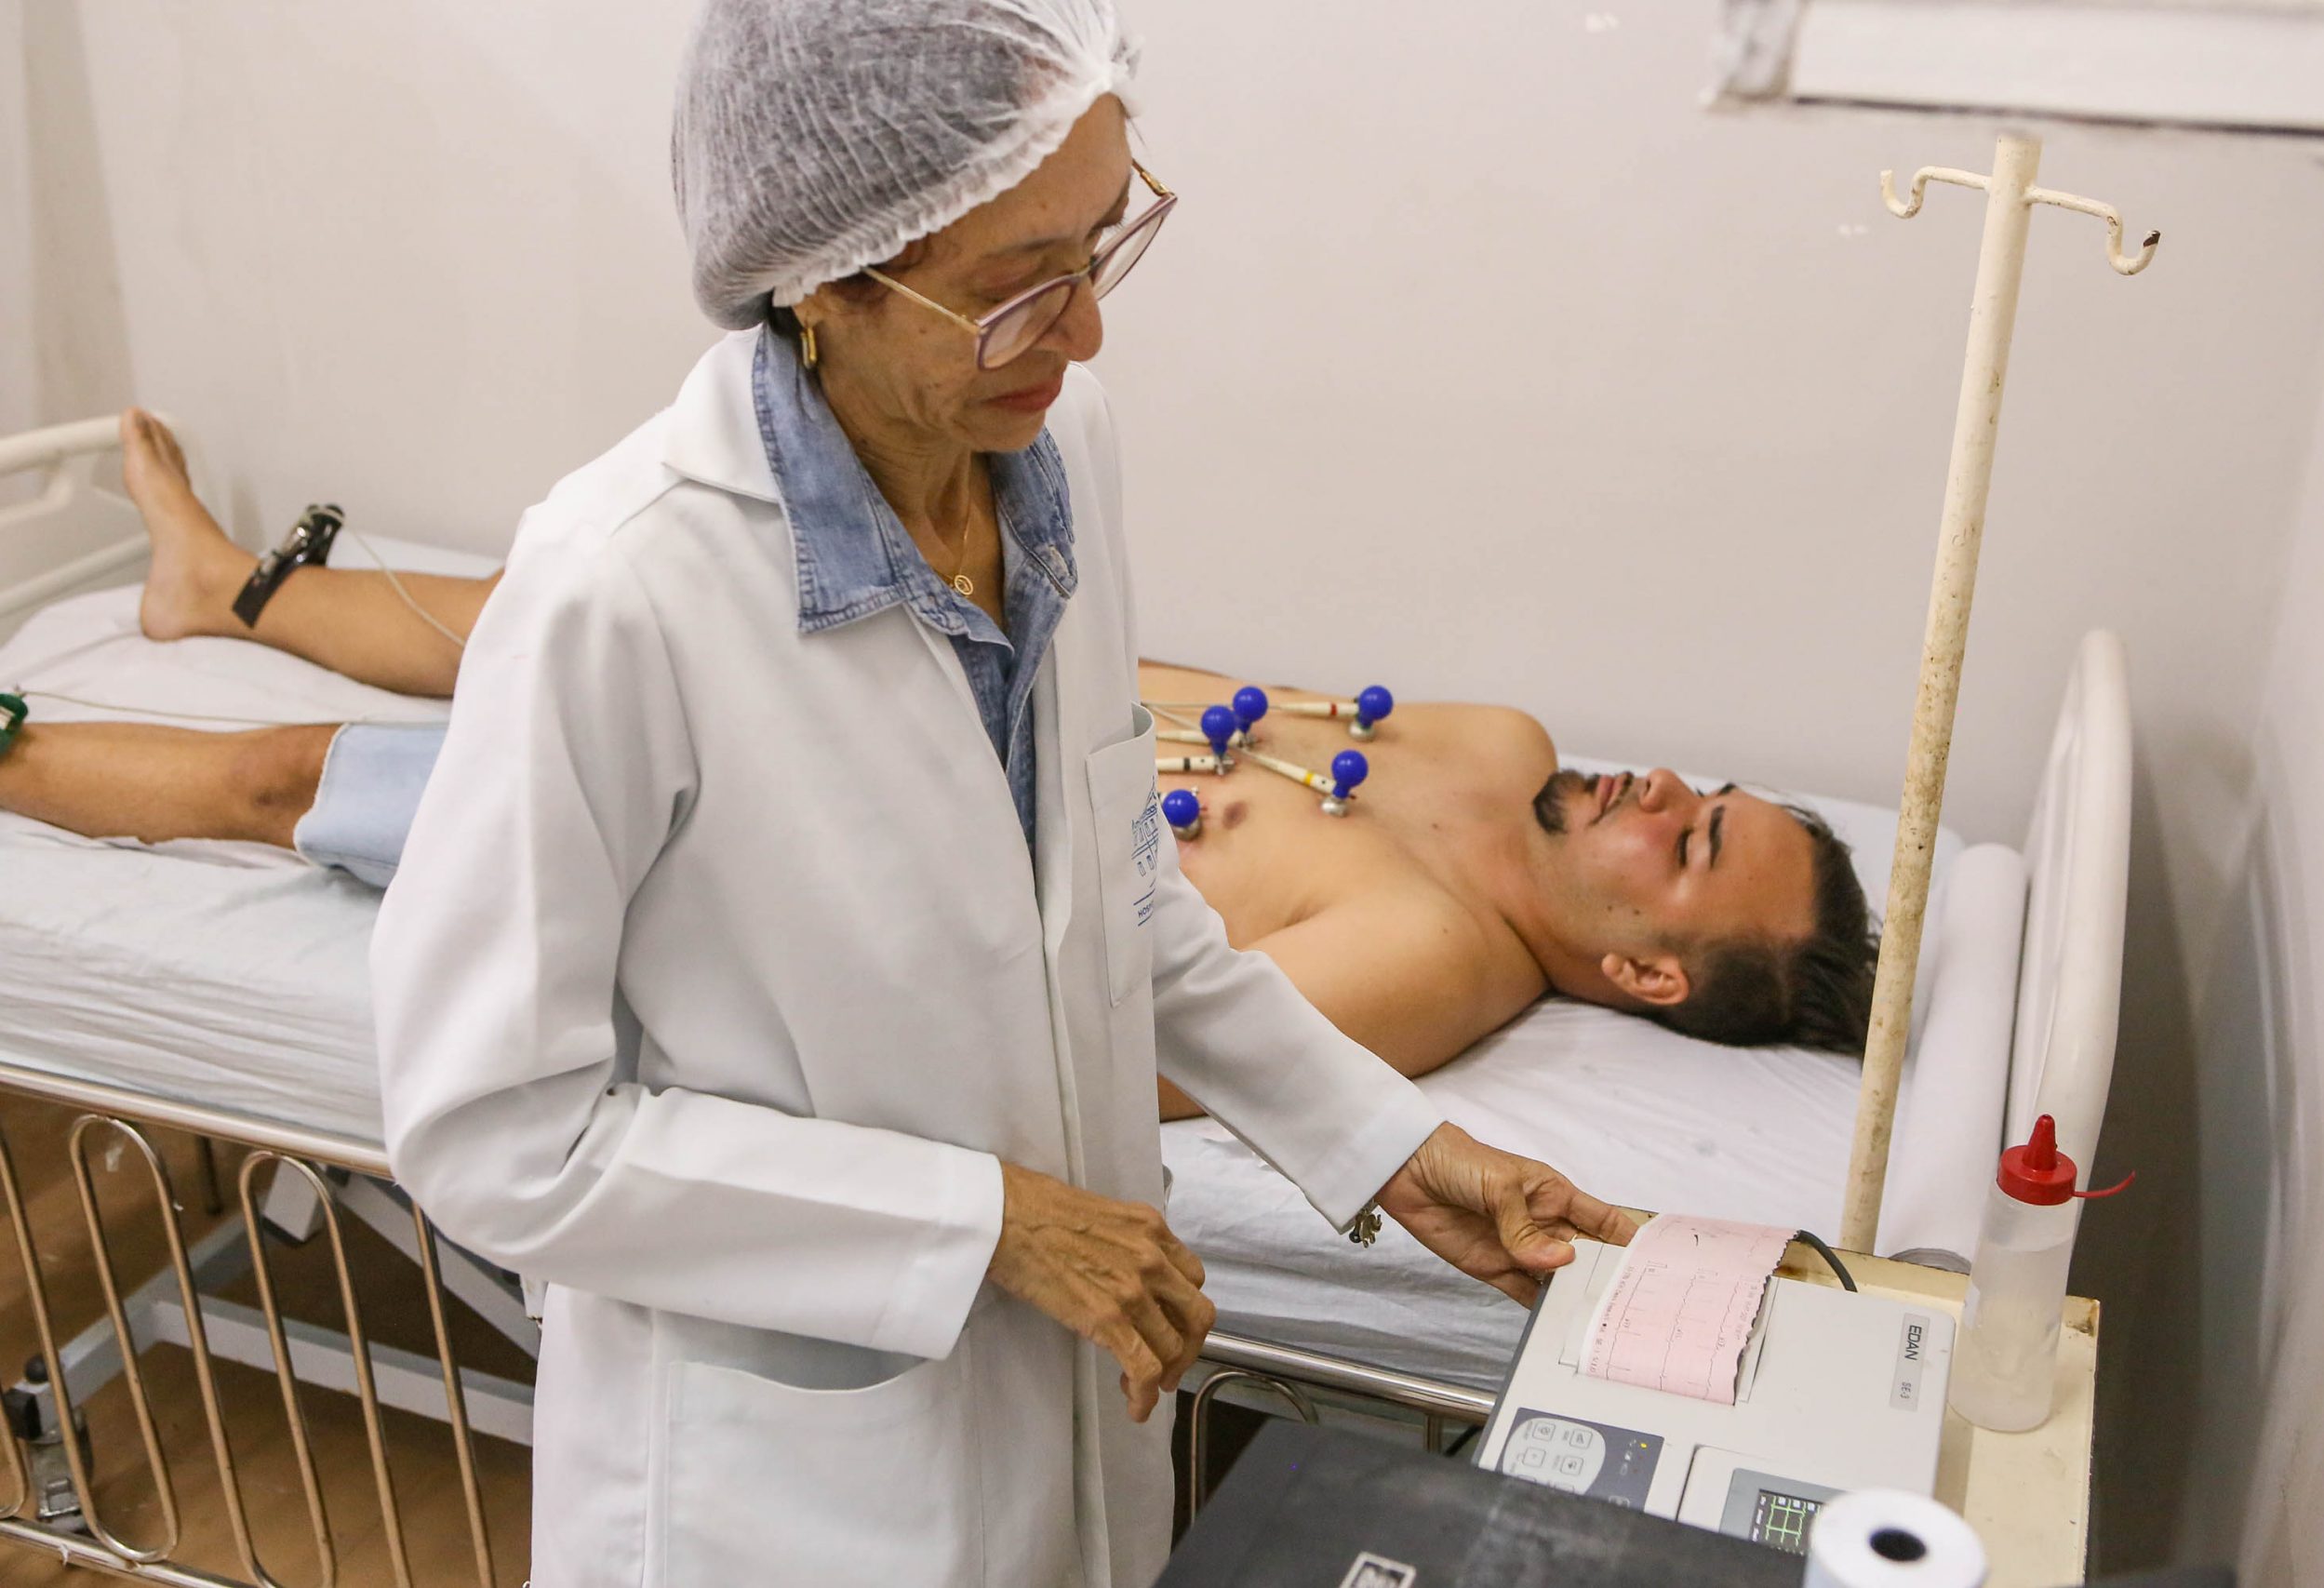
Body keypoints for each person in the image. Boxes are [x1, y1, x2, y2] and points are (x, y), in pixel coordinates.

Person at [342, 7, 1628, 1585]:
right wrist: (987, 1225)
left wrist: (1391, 1151)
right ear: (820, 275)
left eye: (1100, 248)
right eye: (1018, 285)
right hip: (790, 1489)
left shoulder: (1055, 449)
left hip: (1069, 1416)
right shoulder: (621, 593)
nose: (1083, 335)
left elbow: (1124, 906)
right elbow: (495, 1137)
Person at [0, 415, 1876, 1117]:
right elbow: (1200, 691)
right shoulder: (1500, 747)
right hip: (950, 671)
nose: (1657, 791)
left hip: (802, 841)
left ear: (1641, 971)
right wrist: (965, 600)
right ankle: (223, 585)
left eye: (1691, 845)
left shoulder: (1427, 962)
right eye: (1697, 791)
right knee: (551, 604)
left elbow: (1114, 1062)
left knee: (291, 781)